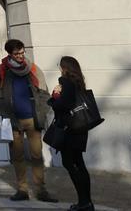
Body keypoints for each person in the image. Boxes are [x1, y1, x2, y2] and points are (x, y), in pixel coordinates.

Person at [0, 39, 57, 203]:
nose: (21, 56)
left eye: (22, 52)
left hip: (33, 119)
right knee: (18, 157)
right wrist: (6, 114)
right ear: (9, 54)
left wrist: (43, 111)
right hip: (14, 121)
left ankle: (41, 190)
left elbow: (44, 92)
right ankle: (22, 190)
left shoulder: (32, 68)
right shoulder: (0, 71)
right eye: (17, 53)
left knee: (37, 155)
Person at [49, 56, 93, 211]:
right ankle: (87, 202)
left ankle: (83, 202)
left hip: (69, 130)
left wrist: (55, 96)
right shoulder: (79, 81)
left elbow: (63, 105)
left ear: (64, 68)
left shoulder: (65, 82)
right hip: (80, 127)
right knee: (79, 164)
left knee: (70, 164)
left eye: (60, 66)